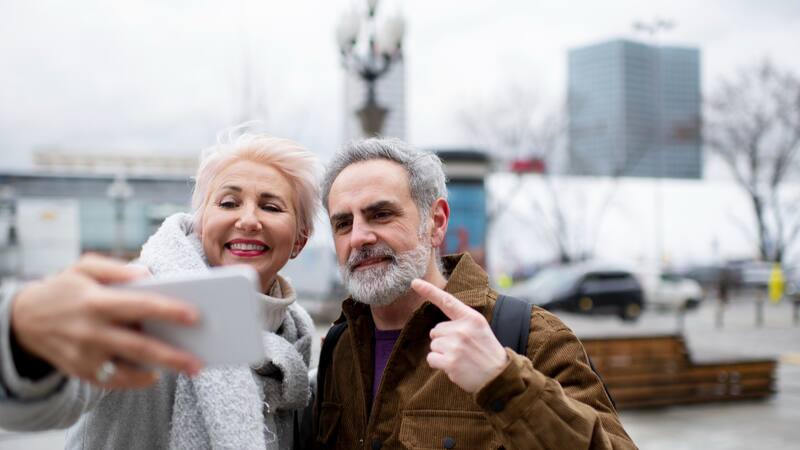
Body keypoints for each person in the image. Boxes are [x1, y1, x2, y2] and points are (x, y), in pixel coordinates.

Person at [0, 133, 321, 449]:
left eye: (271, 207)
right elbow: (53, 400)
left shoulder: (294, 337)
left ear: (299, 240)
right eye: (228, 202)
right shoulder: (142, 296)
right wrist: (24, 337)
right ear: (202, 221)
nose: (249, 220)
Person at [312, 138, 636, 449]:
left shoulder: (529, 337)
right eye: (343, 223)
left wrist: (505, 382)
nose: (358, 237)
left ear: (436, 223)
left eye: (381, 214)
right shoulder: (339, 348)